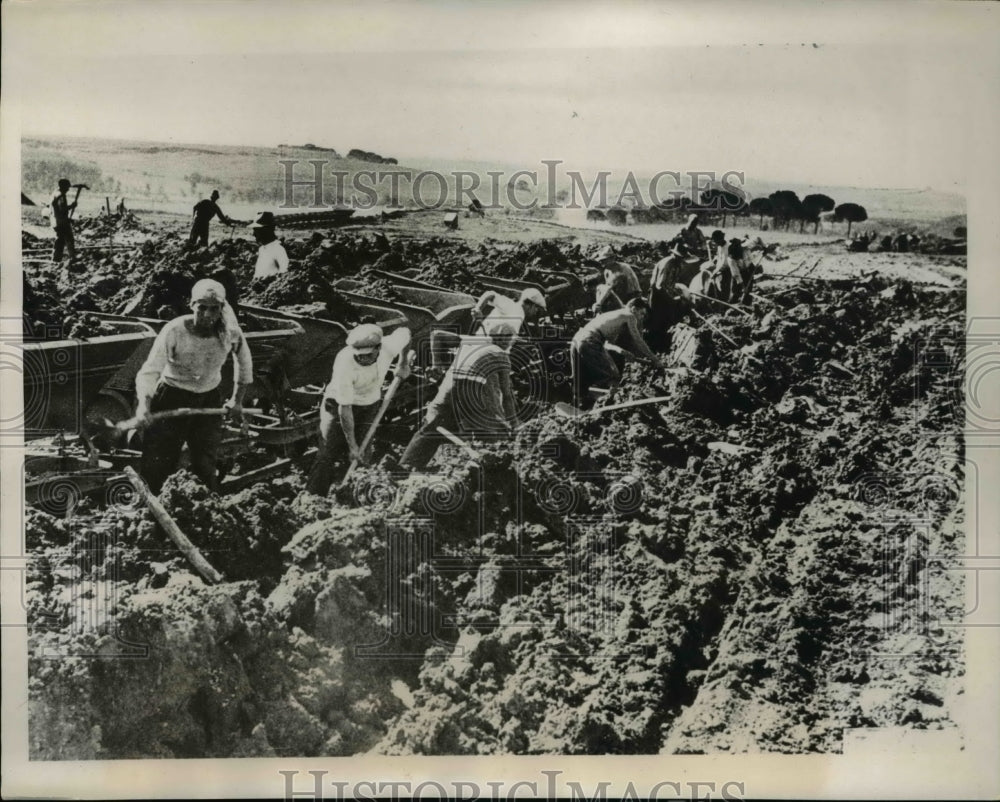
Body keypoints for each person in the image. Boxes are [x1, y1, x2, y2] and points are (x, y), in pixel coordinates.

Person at [134, 279, 252, 494]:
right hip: (171, 396)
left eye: (214, 309)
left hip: (208, 400)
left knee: (205, 462)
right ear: (192, 305)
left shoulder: (229, 333)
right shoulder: (175, 330)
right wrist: (144, 404)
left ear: (221, 310)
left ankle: (204, 510)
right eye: (202, 308)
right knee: (158, 462)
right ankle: (152, 513)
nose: (208, 315)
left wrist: (237, 399)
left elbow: (244, 362)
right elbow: (150, 371)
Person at [306, 324, 412, 494]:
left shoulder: (389, 346)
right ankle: (312, 497)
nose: (363, 359)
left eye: (368, 355)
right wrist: (352, 445)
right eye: (359, 355)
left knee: (364, 455)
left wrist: (403, 362)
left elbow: (405, 332)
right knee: (326, 454)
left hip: (370, 405)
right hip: (338, 405)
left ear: (379, 348)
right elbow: (345, 409)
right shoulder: (345, 362)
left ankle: (356, 497)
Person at [399, 319, 517, 471]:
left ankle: (405, 467)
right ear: (505, 339)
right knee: (493, 436)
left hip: (449, 389)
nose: (510, 344)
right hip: (473, 394)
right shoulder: (501, 356)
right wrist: (512, 424)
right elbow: (507, 396)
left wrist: (438, 365)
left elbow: (437, 334)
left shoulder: (471, 341)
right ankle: (494, 468)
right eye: (511, 340)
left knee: (431, 426)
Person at [570, 297, 664, 408]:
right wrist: (655, 359)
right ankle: (611, 408)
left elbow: (607, 344)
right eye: (642, 313)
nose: (642, 317)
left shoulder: (615, 315)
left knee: (580, 377)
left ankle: (579, 404)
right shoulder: (629, 316)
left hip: (577, 339)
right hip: (590, 340)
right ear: (633, 309)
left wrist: (621, 351)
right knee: (613, 377)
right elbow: (638, 341)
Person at [647, 242, 690, 349]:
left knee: (668, 319)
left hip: (667, 293)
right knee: (657, 320)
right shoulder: (667, 264)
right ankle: (654, 346)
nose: (682, 260)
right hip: (658, 295)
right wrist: (671, 300)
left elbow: (671, 283)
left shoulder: (677, 264)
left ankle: (665, 343)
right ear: (675, 255)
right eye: (681, 257)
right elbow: (659, 286)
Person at [469, 287, 547, 335]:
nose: (536, 312)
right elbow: (490, 294)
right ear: (532, 306)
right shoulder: (511, 306)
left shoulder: (520, 315)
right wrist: (478, 309)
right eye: (537, 309)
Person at [250, 212, 290, 279]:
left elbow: (284, 277)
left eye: (256, 230)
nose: (254, 234)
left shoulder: (278, 249)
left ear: (266, 230)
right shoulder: (262, 249)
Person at [50, 178, 76, 263]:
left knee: (60, 240)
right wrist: (71, 206)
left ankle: (56, 259)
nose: (68, 189)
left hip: (56, 221)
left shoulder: (55, 193)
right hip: (61, 222)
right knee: (69, 239)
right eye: (67, 187)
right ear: (63, 187)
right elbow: (62, 209)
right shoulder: (60, 195)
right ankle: (72, 258)